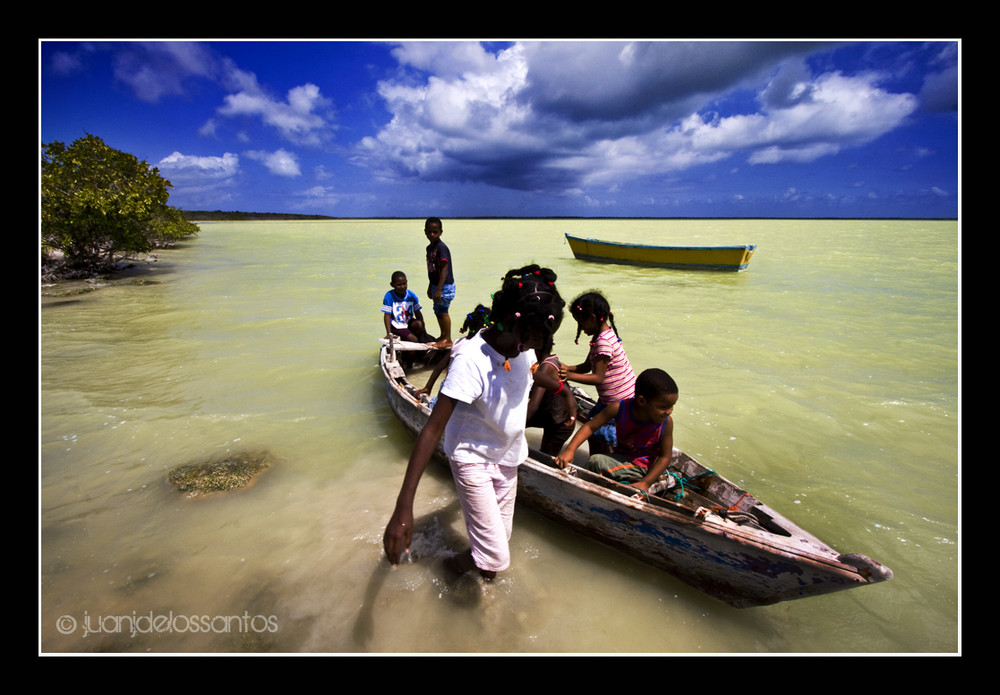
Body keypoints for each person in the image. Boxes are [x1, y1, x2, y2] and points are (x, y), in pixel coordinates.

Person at [383, 265, 565, 579]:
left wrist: (556, 375)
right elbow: (432, 430)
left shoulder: (524, 344)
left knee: (497, 545)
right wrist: (403, 507)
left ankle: (469, 568)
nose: (529, 349)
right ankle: (450, 567)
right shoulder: (471, 360)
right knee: (496, 556)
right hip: (472, 458)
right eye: (528, 342)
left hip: (507, 456)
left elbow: (537, 369)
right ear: (510, 321)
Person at [554, 368, 678, 497]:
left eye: (672, 406)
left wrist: (646, 483)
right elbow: (590, 427)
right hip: (621, 458)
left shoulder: (666, 422)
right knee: (599, 460)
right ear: (641, 401)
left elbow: (665, 457)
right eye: (663, 407)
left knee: (595, 462)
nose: (669, 411)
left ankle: (574, 495)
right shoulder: (619, 408)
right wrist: (570, 449)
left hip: (643, 467)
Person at [558, 291, 637, 455]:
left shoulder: (603, 342)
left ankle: (598, 465)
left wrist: (569, 376)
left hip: (620, 403)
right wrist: (568, 368)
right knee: (592, 425)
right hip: (614, 399)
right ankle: (596, 460)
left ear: (593, 318)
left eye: (581, 322)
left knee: (595, 431)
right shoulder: (603, 335)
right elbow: (587, 366)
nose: (580, 327)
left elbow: (598, 378)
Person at [415, 304, 491, 399]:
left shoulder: (458, 342)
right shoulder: (482, 347)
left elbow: (440, 366)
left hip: (447, 388)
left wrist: (428, 387)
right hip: (466, 391)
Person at [525, 334, 578, 456]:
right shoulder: (543, 361)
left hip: (560, 423)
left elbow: (533, 405)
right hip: (547, 413)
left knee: (546, 456)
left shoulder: (546, 367)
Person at [424, 217, 455, 348]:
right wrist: (431, 285)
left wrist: (439, 289)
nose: (432, 234)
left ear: (441, 232)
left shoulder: (442, 248)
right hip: (436, 285)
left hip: (445, 285)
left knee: (443, 311)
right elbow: (432, 269)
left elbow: (444, 269)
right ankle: (442, 335)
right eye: (429, 231)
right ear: (425, 231)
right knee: (437, 310)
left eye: (435, 232)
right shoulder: (429, 248)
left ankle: (448, 338)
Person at [382, 271, 428, 342]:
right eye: (399, 285)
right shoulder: (389, 296)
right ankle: (412, 345)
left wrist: (424, 332)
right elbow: (387, 315)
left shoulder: (411, 295)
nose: (402, 287)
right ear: (392, 285)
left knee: (418, 324)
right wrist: (389, 333)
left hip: (408, 322)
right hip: (396, 325)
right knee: (413, 339)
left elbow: (418, 312)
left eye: (404, 284)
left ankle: (419, 339)